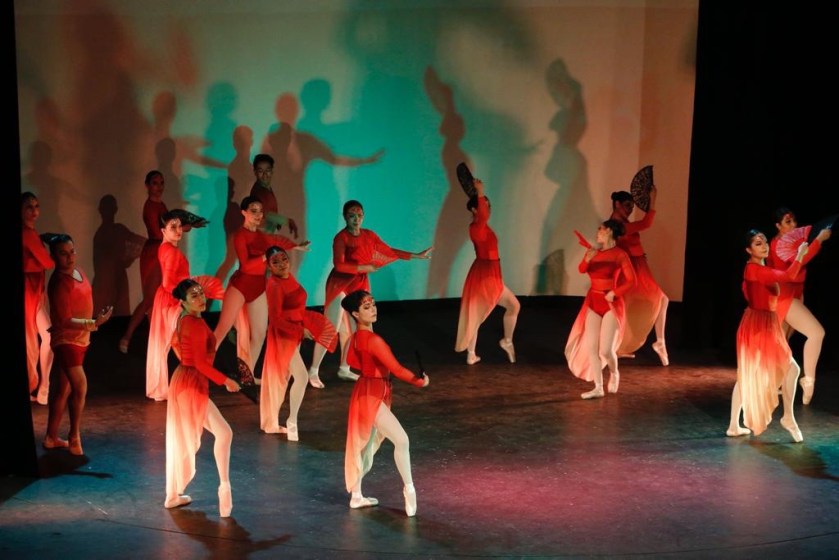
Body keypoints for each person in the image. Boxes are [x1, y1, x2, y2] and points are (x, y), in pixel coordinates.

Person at [307, 200, 433, 389]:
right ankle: (313, 370)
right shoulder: (341, 238)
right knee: (331, 328)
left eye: (359, 215)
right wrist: (363, 267)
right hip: (341, 283)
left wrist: (414, 255)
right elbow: (339, 265)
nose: (356, 219)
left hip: (359, 283)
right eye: (352, 215)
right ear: (345, 217)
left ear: (363, 216)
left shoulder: (369, 235)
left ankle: (344, 368)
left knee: (355, 330)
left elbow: (387, 251)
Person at [341, 290, 429, 517]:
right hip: (371, 394)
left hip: (365, 391)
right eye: (366, 307)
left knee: (365, 446)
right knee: (401, 439)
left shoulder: (356, 338)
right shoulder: (373, 340)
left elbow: (353, 361)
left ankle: (357, 496)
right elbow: (397, 369)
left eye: (373, 304)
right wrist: (419, 381)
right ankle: (409, 489)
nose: (373, 309)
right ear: (355, 314)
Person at [165, 278, 241, 517]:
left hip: (185, 380)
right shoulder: (194, 324)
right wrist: (225, 380)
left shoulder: (186, 319)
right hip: (190, 383)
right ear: (183, 302)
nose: (200, 298)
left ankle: (172, 495)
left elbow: (177, 345)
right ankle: (224, 489)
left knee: (184, 439)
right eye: (193, 296)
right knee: (223, 433)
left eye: (200, 293)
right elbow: (199, 363)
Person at [213, 197, 309, 382]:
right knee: (222, 330)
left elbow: (277, 241)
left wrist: (296, 246)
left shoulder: (262, 236)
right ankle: (200, 370)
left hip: (258, 288)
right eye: (254, 211)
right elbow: (247, 266)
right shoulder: (240, 235)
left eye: (260, 211)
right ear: (244, 212)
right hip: (240, 287)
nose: (258, 215)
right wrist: (265, 256)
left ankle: (246, 377)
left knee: (258, 335)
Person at [727, 230, 809, 442]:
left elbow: (751, 292)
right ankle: (788, 418)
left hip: (760, 322)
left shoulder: (757, 269)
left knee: (748, 375)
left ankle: (734, 425)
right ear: (748, 249)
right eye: (757, 243)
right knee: (792, 369)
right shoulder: (756, 270)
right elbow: (789, 276)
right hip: (760, 326)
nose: (763, 246)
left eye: (764, 242)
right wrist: (800, 255)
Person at [42, 234, 113, 455]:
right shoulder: (59, 282)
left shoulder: (79, 271)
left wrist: (94, 319)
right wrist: (93, 323)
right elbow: (64, 320)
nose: (70, 257)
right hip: (66, 340)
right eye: (63, 253)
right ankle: (74, 437)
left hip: (81, 338)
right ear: (54, 256)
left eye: (71, 251)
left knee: (62, 389)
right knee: (80, 386)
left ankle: (51, 438)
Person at [261, 245, 336, 439]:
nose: (282, 264)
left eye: (284, 259)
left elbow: (297, 307)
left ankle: (272, 421)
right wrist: (300, 330)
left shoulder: (289, 278)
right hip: (283, 335)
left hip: (295, 331)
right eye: (276, 262)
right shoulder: (274, 285)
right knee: (301, 377)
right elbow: (275, 319)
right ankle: (292, 420)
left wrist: (305, 325)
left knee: (285, 378)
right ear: (269, 266)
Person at [146, 211, 221, 401]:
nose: (179, 230)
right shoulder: (171, 252)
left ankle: (182, 383)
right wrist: (185, 298)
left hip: (166, 299)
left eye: (180, 226)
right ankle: (193, 381)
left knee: (174, 341)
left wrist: (189, 225)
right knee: (185, 341)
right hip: (173, 300)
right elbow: (168, 283)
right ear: (163, 230)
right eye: (173, 227)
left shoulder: (165, 246)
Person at [766, 207, 831, 405]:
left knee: (781, 342)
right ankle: (808, 380)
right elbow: (799, 262)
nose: (793, 225)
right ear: (778, 226)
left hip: (790, 296)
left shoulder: (788, 244)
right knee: (816, 333)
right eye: (788, 222)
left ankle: (772, 383)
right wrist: (818, 240)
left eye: (794, 220)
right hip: (784, 298)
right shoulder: (777, 245)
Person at [564, 220, 636, 399]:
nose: (597, 232)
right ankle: (598, 387)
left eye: (601, 229)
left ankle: (614, 372)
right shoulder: (593, 252)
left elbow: (632, 281)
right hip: (593, 302)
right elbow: (581, 270)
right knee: (592, 348)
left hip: (611, 303)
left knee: (605, 350)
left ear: (610, 231)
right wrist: (587, 259)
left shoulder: (620, 254)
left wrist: (614, 292)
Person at [454, 178, 521, 365]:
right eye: (485, 206)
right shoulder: (477, 227)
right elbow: (483, 215)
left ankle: (472, 353)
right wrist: (480, 191)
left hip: (488, 273)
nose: (488, 209)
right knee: (512, 306)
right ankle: (506, 341)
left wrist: (481, 195)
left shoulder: (480, 226)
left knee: (478, 314)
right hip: (486, 275)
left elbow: (483, 215)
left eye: (489, 206)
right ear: (475, 210)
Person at [609, 188, 670, 365]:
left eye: (632, 206)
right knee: (657, 300)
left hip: (639, 266)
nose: (630, 209)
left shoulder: (623, 223)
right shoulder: (617, 225)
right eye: (627, 205)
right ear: (617, 204)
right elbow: (646, 223)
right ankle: (658, 342)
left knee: (657, 301)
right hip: (632, 269)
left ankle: (619, 347)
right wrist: (653, 201)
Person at [119, 170, 167, 354]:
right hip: (155, 251)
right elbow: (158, 232)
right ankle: (127, 336)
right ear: (147, 185)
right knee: (149, 299)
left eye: (161, 183)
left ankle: (156, 341)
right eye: (155, 183)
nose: (159, 187)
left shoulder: (161, 204)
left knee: (157, 298)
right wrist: (178, 227)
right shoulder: (150, 206)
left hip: (161, 250)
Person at [21, 192, 54, 405]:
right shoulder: (27, 234)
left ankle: (43, 387)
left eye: (36, 206)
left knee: (47, 337)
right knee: (32, 340)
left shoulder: (31, 233)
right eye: (29, 207)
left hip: (35, 290)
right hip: (28, 291)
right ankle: (40, 386)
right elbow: (48, 262)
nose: (34, 211)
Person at [249, 153, 299, 236]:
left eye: (268, 170)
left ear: (272, 171)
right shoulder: (258, 191)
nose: (265, 175)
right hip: (262, 237)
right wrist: (287, 221)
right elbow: (267, 214)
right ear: (255, 172)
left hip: (268, 235)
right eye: (260, 171)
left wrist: (277, 222)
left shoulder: (266, 188)